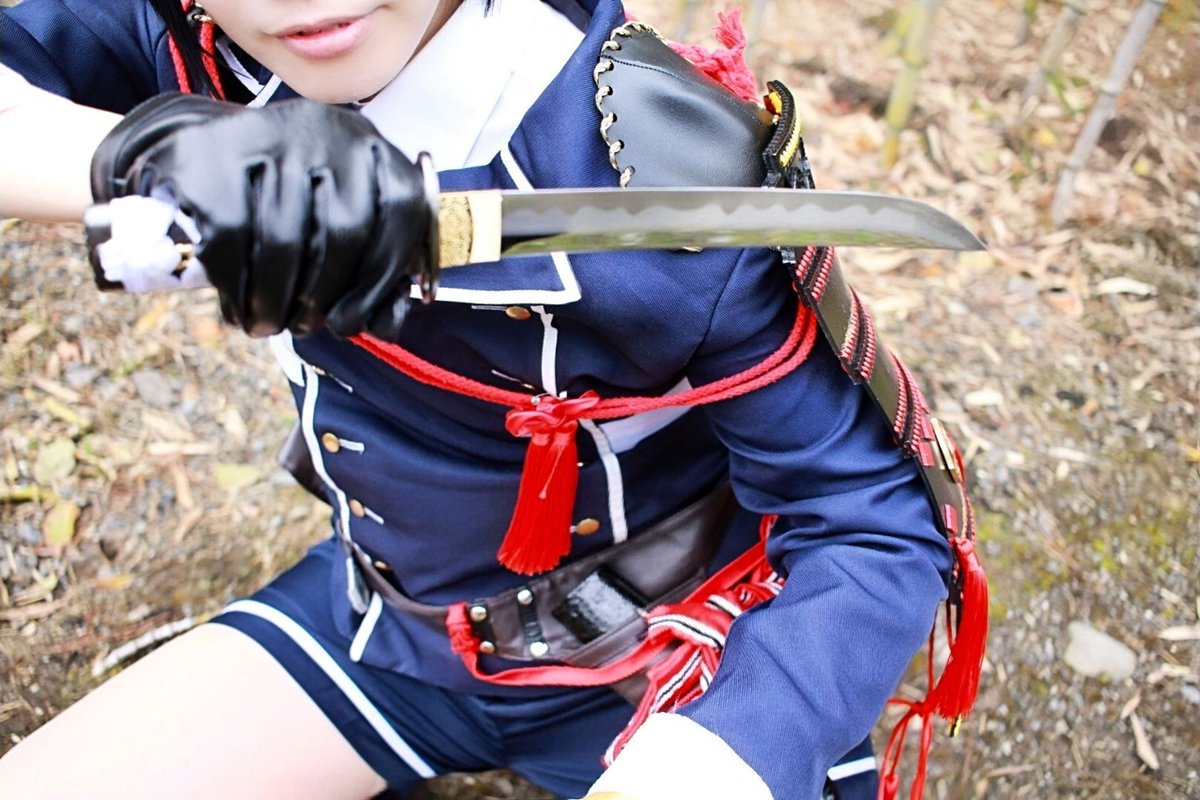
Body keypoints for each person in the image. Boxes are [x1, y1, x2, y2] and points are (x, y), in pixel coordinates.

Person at [0, 0, 984, 798]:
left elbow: (875, 521)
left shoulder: (652, 169)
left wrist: (727, 751)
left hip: (679, 663)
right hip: (390, 628)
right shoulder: (194, 38)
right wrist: (140, 151)